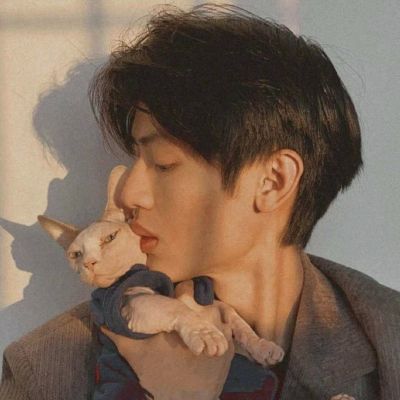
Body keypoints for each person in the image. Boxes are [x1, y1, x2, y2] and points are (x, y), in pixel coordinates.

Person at [1, 3, 399, 400]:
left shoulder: (387, 337)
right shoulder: (44, 372)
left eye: (163, 163)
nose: (127, 195)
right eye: (135, 160)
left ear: (273, 181)